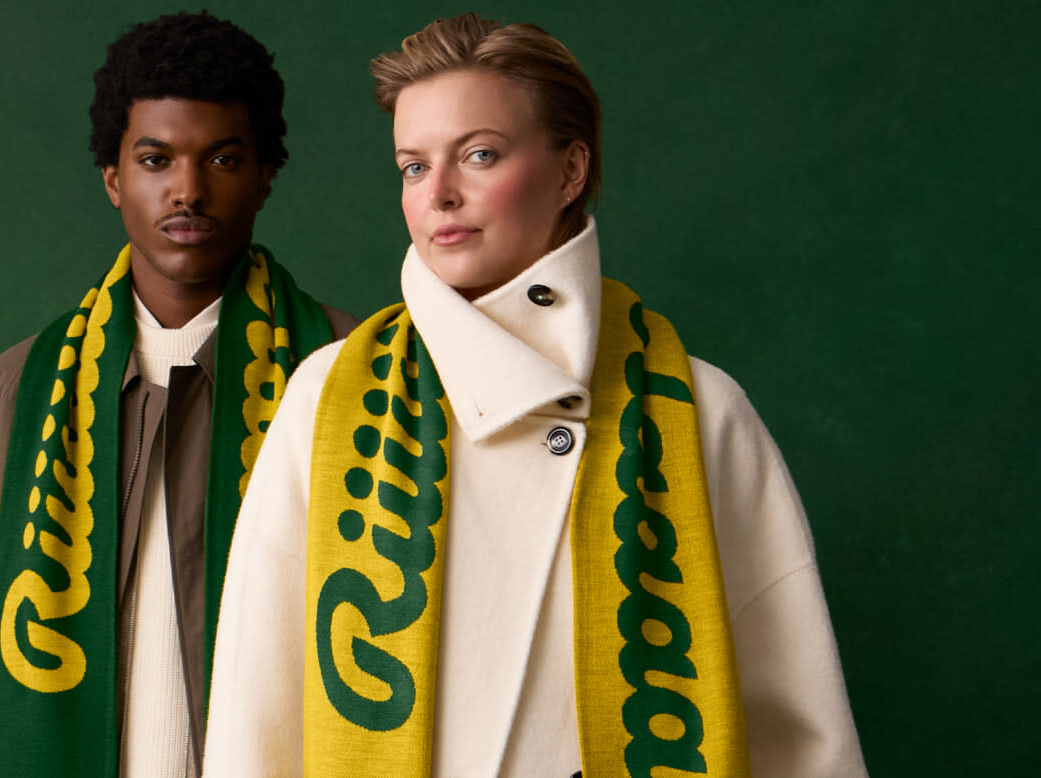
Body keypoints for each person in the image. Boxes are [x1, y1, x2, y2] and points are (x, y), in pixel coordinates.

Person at [203, 13, 866, 777]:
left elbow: (799, 730)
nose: (439, 194)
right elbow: (258, 708)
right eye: (413, 167)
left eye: (479, 155)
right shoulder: (327, 398)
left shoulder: (702, 411)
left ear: (570, 170)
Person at [0, 12, 356, 778]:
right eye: (155, 159)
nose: (187, 189)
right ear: (113, 178)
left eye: (222, 157)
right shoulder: (9, 397)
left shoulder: (354, 382)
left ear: (265, 175)